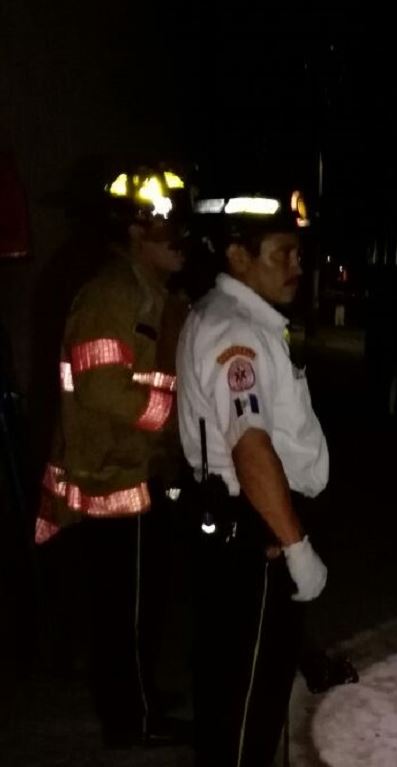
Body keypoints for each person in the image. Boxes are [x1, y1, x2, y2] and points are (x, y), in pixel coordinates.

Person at [33, 166, 192, 748]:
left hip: (142, 472)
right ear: (132, 233)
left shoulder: (150, 293)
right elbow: (101, 388)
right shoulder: (111, 294)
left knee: (144, 605)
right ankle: (133, 721)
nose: (179, 238)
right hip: (113, 479)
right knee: (124, 612)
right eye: (164, 226)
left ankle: (141, 693)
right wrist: (174, 417)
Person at [177, 188, 328, 766]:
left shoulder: (241, 321)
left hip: (249, 527)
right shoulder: (233, 332)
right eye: (282, 252)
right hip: (257, 534)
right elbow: (251, 446)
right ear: (238, 257)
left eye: (298, 252)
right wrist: (297, 548)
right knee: (249, 702)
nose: (298, 264)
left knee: (237, 690)